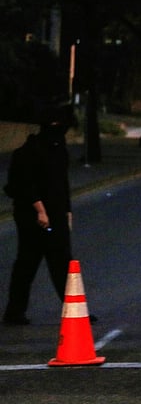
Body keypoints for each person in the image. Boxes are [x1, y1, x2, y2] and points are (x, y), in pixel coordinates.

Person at [3, 104, 76, 325]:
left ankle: (74, 307)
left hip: (55, 213)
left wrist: (67, 211)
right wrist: (41, 211)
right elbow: (25, 184)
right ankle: (15, 312)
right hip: (32, 216)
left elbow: (62, 184)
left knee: (61, 263)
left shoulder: (58, 149)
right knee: (28, 262)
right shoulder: (29, 151)